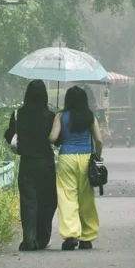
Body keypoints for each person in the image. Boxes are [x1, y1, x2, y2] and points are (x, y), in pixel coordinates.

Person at [4, 79, 57, 251]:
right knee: (47, 201)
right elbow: (58, 140)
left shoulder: (18, 114)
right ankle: (43, 238)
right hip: (46, 163)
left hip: (27, 163)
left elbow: (9, 135)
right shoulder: (50, 115)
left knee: (28, 201)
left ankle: (28, 239)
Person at [50, 83, 103, 250]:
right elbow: (99, 140)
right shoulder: (90, 116)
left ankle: (71, 235)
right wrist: (98, 156)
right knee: (86, 198)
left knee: (67, 197)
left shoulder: (60, 116)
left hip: (66, 157)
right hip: (86, 157)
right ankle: (87, 237)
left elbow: (52, 138)